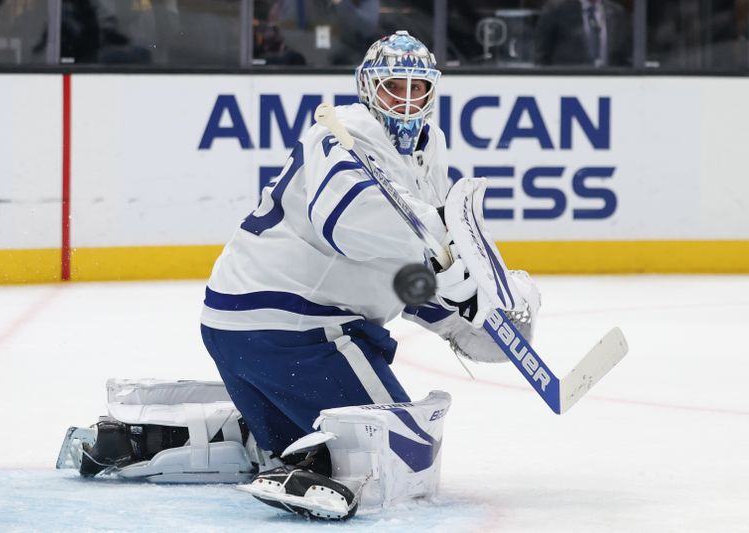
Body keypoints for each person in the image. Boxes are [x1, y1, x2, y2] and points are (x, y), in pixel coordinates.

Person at [200, 30, 540, 519]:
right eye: (391, 87)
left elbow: (404, 266)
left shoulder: (428, 151)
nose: (404, 100)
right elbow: (347, 221)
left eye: (415, 87)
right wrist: (437, 263)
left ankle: (236, 438)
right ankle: (309, 456)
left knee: (342, 449)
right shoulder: (345, 132)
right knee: (405, 460)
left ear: (432, 90)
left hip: (248, 330)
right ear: (366, 87)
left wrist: (464, 317)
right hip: (296, 332)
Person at [534, 0, 631, 67]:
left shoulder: (617, 13)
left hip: (610, 89)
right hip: (567, 88)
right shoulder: (556, 9)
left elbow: (625, 57)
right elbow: (541, 57)